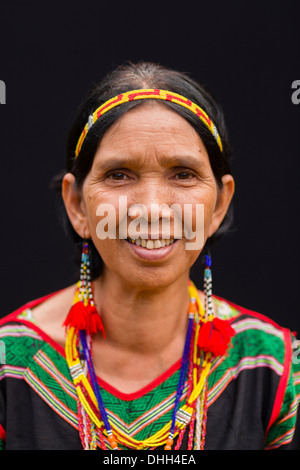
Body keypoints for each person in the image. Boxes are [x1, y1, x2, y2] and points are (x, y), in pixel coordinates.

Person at [0, 62, 299, 451]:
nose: (153, 209)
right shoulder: (11, 366)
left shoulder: (275, 370)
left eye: (183, 174)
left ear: (220, 204)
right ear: (77, 204)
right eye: (119, 175)